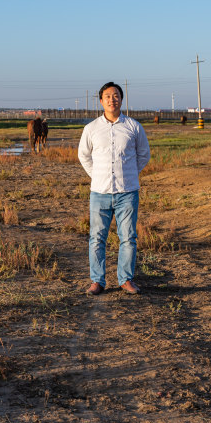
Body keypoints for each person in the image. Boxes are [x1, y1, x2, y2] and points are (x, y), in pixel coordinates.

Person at [78, 82, 150, 296]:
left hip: (127, 192)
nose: (112, 99)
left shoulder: (133, 127)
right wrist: (98, 175)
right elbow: (84, 156)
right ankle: (97, 281)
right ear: (101, 101)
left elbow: (143, 154)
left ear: (121, 99)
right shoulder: (91, 128)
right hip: (99, 193)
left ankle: (125, 279)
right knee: (97, 237)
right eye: (107, 96)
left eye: (116, 95)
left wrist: (127, 172)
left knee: (128, 237)